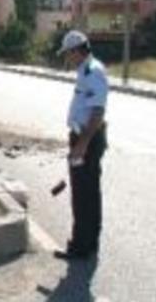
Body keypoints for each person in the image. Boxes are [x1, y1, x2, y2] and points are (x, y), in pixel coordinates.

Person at [55, 30, 109, 260]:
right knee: (88, 193)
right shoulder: (85, 70)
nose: (67, 58)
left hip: (87, 138)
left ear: (77, 51)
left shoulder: (92, 71)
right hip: (85, 138)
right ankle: (88, 244)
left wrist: (82, 145)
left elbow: (97, 111)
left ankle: (81, 247)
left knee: (83, 195)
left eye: (68, 54)